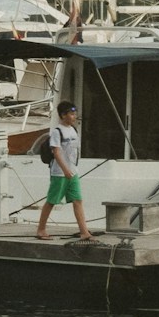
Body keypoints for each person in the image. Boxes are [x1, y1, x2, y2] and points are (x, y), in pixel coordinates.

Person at [34, 101, 92, 241]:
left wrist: (72, 170)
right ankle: (41, 230)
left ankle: (84, 232)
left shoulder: (73, 130)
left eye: (74, 113)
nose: (74, 116)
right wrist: (65, 170)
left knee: (77, 200)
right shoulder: (57, 132)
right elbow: (56, 152)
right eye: (71, 114)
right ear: (63, 115)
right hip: (60, 173)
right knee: (52, 201)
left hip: (73, 172)